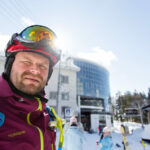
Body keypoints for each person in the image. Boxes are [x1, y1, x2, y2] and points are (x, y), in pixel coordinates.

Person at [0, 25, 61, 150]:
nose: (35, 70)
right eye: (27, 62)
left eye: (43, 66)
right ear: (10, 64)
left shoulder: (46, 114)